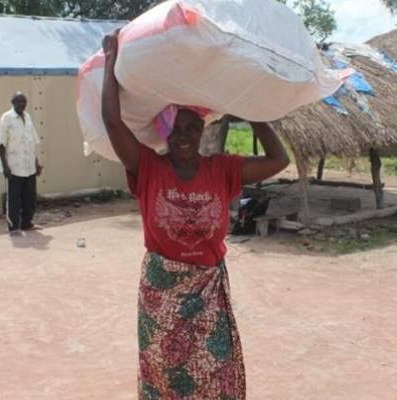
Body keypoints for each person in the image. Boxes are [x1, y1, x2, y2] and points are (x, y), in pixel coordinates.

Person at [101, 30, 289, 399]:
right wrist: (111, 59)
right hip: (162, 294)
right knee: (165, 375)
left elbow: (278, 160)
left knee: (214, 374)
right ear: (165, 133)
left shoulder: (222, 170)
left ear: (203, 129)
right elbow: (111, 122)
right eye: (176, 129)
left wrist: (249, 110)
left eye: (192, 127)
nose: (184, 135)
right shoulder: (147, 168)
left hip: (207, 292)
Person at [0, 92, 43, 236]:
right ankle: (13, 227)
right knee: (14, 198)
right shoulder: (7, 118)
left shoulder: (28, 117)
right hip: (14, 166)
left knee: (29, 197)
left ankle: (27, 223)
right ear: (13, 102)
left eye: (24, 102)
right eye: (19, 102)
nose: (22, 104)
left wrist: (36, 163)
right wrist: (5, 166)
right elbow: (1, 144)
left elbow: (32, 143)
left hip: (29, 166)